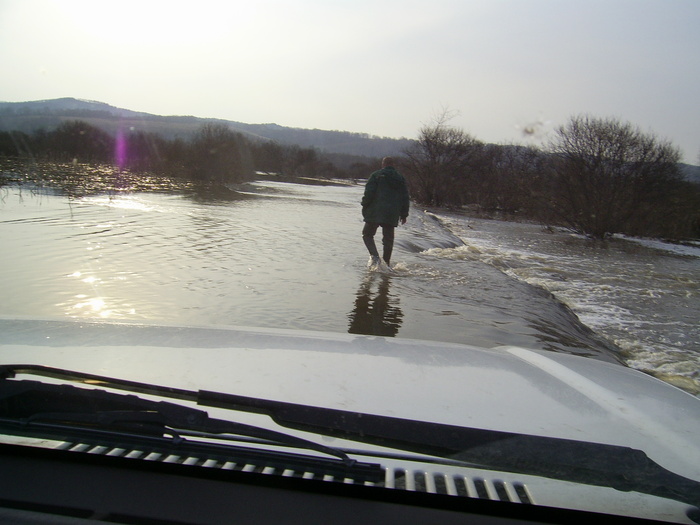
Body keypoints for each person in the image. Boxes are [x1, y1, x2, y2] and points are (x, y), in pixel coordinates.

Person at [361, 156, 410, 268]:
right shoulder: (400, 178)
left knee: (367, 234)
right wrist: (404, 214)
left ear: (383, 164)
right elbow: (405, 197)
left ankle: (376, 258)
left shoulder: (376, 175)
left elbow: (369, 193)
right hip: (392, 214)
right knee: (388, 240)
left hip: (375, 212)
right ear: (393, 165)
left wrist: (364, 204)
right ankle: (386, 264)